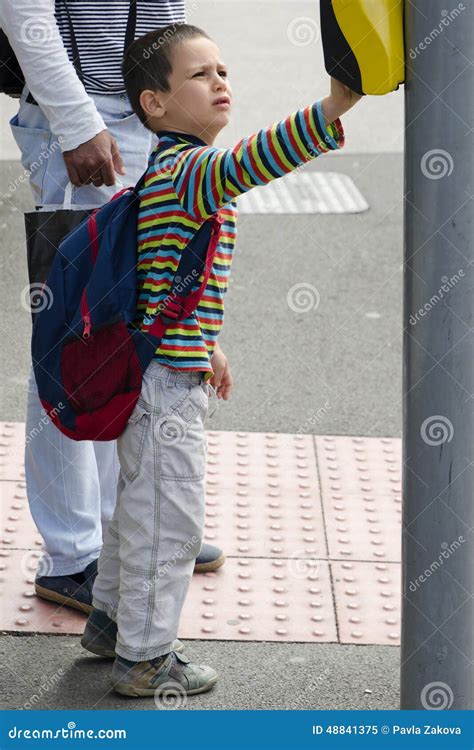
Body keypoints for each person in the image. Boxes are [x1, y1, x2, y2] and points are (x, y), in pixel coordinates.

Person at [80, 22, 363, 698]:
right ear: (155, 103)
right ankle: (146, 659)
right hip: (163, 391)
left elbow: (166, 279)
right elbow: (254, 159)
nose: (222, 83)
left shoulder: (168, 172)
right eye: (201, 75)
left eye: (225, 71)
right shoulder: (192, 170)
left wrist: (205, 342)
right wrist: (332, 109)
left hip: (154, 372)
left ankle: (112, 621)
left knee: (138, 507)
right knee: (170, 523)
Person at [0, 0, 226, 618]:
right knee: (72, 335)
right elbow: (26, 11)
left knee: (124, 328)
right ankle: (72, 553)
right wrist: (74, 123)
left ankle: (114, 527)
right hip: (82, 117)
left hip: (142, 112)